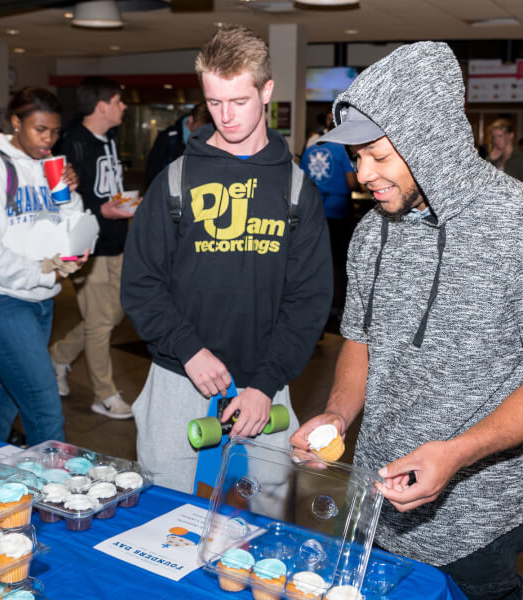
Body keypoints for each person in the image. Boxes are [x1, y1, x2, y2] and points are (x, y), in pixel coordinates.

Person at [290, 41, 523, 600]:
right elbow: (359, 340)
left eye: (378, 156)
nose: (363, 174)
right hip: (372, 497)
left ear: (431, 143)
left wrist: (457, 453)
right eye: (356, 157)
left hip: (477, 519)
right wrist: (337, 414)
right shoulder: (370, 233)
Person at [121, 24, 332, 496]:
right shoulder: (174, 181)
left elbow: (308, 299)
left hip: (265, 383)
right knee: (163, 514)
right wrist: (188, 350)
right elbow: (141, 283)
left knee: (269, 517)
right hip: (179, 376)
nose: (226, 116)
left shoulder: (297, 189)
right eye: (214, 102)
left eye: (239, 101)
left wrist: (266, 383)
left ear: (266, 91)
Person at [0, 87, 86, 445]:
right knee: (45, 408)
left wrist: (71, 195)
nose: (48, 139)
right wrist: (43, 271)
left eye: (54, 131)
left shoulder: (48, 166)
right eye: (40, 129)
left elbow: (69, 225)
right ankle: (54, 479)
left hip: (40, 303)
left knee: (5, 399)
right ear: (16, 122)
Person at [50, 76, 133, 419]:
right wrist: (102, 211)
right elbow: (60, 202)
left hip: (117, 239)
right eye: (118, 101)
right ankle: (104, 394)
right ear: (101, 107)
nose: (123, 106)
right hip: (88, 246)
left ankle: (58, 356)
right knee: (99, 324)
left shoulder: (110, 137)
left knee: (113, 314)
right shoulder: (70, 144)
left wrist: (121, 206)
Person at [300, 139, 357, 321]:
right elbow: (352, 183)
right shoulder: (342, 150)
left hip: (313, 211)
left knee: (315, 260)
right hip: (337, 212)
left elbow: (300, 182)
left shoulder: (309, 150)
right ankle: (337, 306)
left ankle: (315, 305)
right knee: (339, 262)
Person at [144, 102, 212, 186]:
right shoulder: (168, 137)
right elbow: (152, 171)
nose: (202, 132)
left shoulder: (209, 138)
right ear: (191, 119)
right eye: (199, 127)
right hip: (168, 190)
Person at [487, 118, 523, 186]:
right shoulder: (495, 157)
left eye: (500, 136)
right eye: (494, 137)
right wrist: (491, 160)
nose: (496, 140)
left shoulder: (521, 158)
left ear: (511, 135)